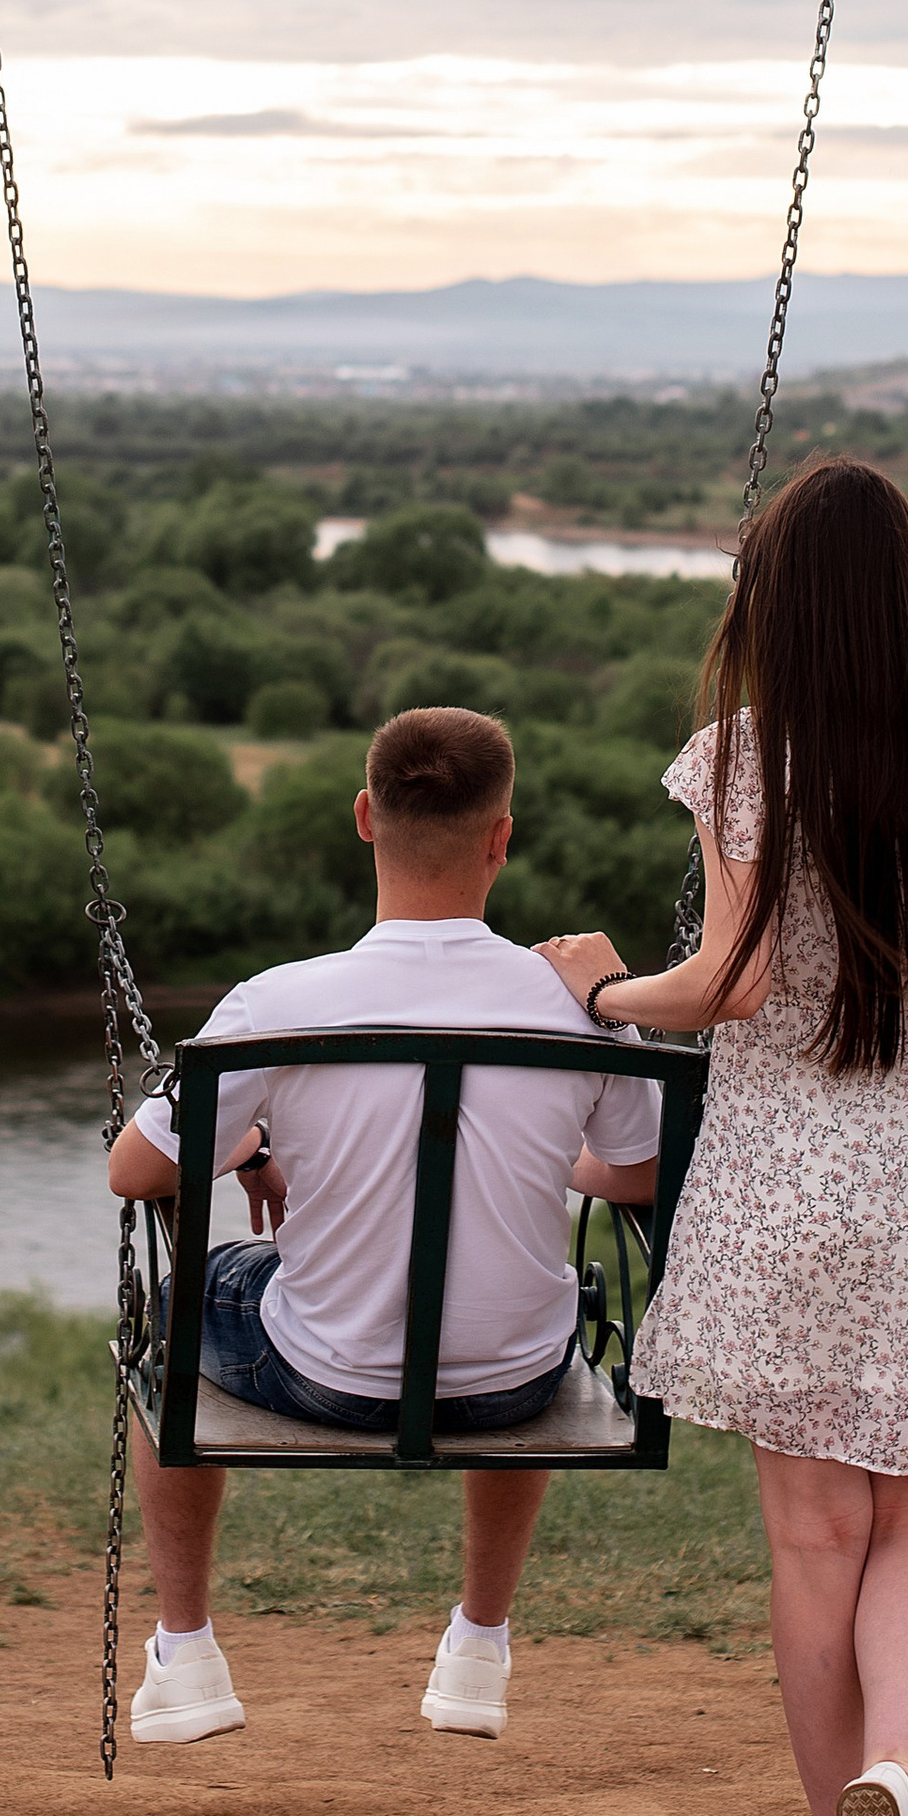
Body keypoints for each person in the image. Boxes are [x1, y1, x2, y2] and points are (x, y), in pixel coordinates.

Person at [536, 457, 908, 1816]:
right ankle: (892, 1778)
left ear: (780, 608)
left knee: (812, 1535)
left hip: (790, 1189)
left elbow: (735, 985)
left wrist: (601, 989)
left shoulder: (746, 760)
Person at [108, 701, 662, 1747]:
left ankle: (185, 1652)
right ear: (502, 836)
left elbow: (134, 1169)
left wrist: (252, 1140)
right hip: (518, 1380)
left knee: (185, 1303)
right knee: (526, 1286)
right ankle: (479, 1644)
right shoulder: (580, 1003)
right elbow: (633, 1178)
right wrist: (545, 1156)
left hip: (327, 1372)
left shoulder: (280, 999)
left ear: (365, 815)